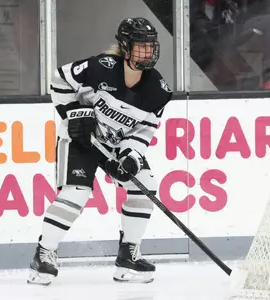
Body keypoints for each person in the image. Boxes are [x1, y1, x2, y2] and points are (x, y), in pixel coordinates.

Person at [27, 17, 172, 285]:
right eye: (140, 47)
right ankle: (44, 253)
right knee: (77, 192)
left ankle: (128, 253)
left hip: (115, 145)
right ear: (126, 48)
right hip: (80, 139)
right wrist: (74, 115)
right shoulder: (100, 67)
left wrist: (130, 156)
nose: (147, 53)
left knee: (145, 184)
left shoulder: (158, 89)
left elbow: (144, 130)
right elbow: (60, 79)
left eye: (150, 47)